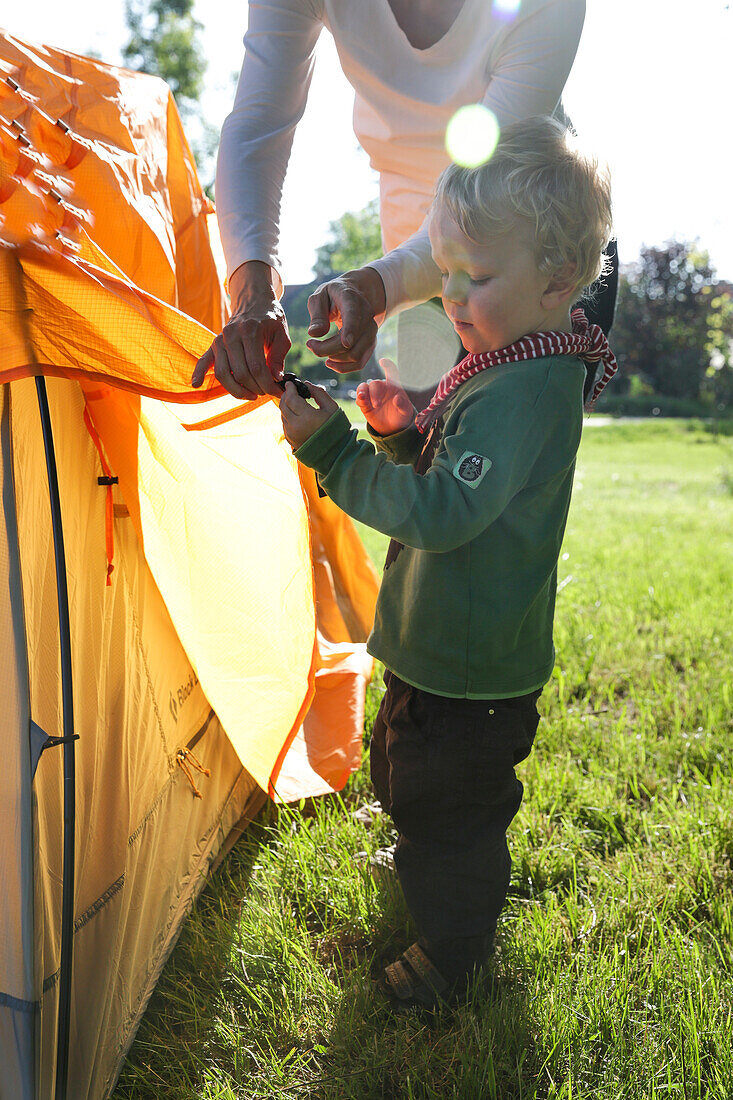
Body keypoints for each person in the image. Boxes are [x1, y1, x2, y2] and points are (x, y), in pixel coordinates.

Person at [278, 116, 617, 1007]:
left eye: (479, 277)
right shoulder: (504, 366)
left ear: (558, 280)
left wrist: (341, 455)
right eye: (449, 275)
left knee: (452, 811)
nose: (454, 298)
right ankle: (417, 847)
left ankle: (456, 950)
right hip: (437, 653)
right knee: (400, 766)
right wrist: (400, 439)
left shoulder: (525, 389)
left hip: (472, 676)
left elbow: (447, 514)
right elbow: (448, 483)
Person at [191, 0, 588, 399]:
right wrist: (253, 295)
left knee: (523, 423)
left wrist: (380, 283)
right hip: (407, 242)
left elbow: (484, 191)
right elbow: (258, 123)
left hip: (526, 244)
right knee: (411, 428)